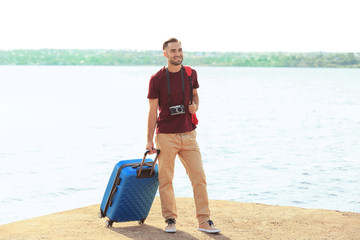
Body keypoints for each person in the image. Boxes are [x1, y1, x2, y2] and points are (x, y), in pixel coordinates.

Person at [146, 38, 221, 234]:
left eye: (180, 50)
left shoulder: (190, 74)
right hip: (166, 136)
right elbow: (152, 111)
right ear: (165, 54)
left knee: (199, 177)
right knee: (166, 179)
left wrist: (195, 105)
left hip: (189, 135)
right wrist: (149, 141)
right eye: (173, 51)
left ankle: (204, 221)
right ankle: (170, 220)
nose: (178, 53)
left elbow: (195, 96)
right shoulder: (157, 79)